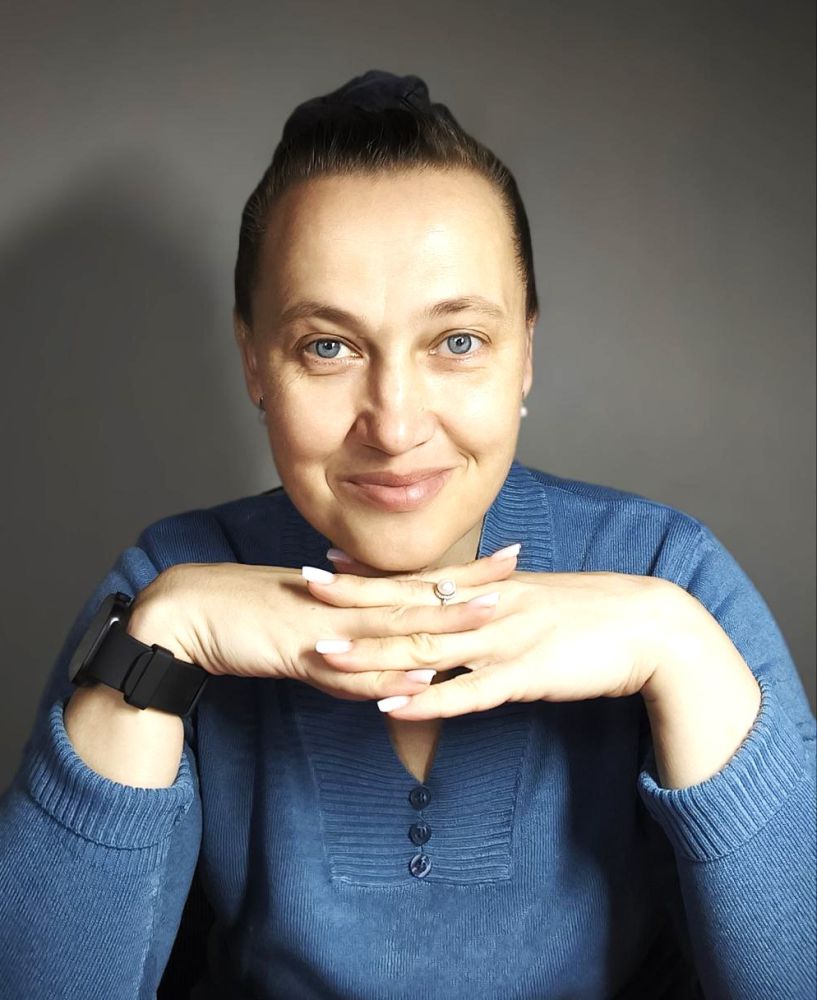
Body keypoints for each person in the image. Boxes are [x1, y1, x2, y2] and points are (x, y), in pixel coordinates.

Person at [0, 69, 814, 1000]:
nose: (393, 425)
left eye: (457, 341)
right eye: (328, 347)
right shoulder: (168, 583)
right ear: (254, 362)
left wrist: (679, 651)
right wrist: (164, 637)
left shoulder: (671, 576)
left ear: (525, 355)